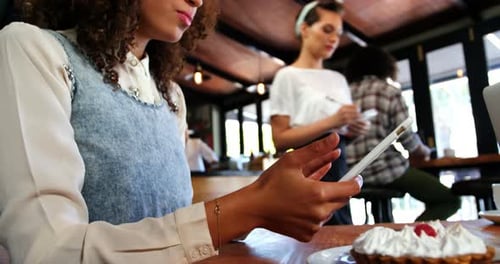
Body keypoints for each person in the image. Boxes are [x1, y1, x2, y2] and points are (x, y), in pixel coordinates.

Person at [0, 0, 364, 263]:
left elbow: (173, 220)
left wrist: (266, 202)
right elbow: (45, 251)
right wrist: (249, 206)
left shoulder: (171, 95)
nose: (197, 0)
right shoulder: (34, 49)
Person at [269, 0, 369, 225]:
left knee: (341, 230)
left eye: (338, 33)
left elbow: (342, 131)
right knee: (309, 232)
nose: (334, 39)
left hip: (341, 164)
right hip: (307, 169)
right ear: (305, 29)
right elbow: (280, 139)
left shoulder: (339, 80)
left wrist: (354, 127)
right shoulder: (287, 76)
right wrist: (332, 121)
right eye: (327, 29)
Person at [344, 45, 461, 221]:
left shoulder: (343, 93)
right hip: (385, 170)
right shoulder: (388, 91)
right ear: (385, 66)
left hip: (350, 174)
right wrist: (425, 152)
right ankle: (412, 235)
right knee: (449, 200)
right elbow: (407, 138)